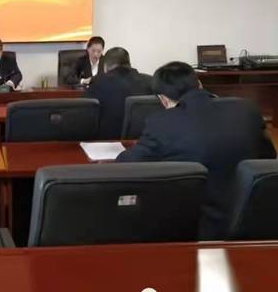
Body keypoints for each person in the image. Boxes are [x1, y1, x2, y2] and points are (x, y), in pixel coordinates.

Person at [116, 61, 276, 240]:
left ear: (163, 99)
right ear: (199, 84)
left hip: (196, 230)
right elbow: (269, 159)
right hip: (256, 223)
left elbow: (127, 165)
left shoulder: (161, 123)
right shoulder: (247, 110)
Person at [85, 47, 153, 139]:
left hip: (107, 141)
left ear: (106, 66)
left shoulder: (98, 82)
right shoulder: (150, 81)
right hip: (144, 140)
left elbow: (85, 112)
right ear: (129, 64)